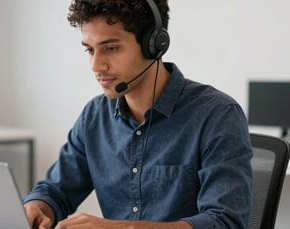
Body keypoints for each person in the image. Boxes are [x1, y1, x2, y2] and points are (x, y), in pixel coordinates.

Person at [23, 0, 253, 228]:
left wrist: (122, 228)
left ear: (154, 44)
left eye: (111, 48)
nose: (96, 65)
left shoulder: (217, 115)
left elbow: (225, 222)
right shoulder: (94, 117)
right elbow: (55, 190)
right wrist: (38, 207)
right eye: (90, 50)